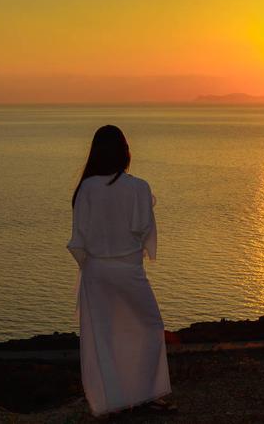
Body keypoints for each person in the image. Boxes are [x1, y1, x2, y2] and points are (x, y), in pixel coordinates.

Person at [67, 125, 175, 418]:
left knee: (103, 337)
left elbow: (79, 239)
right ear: (125, 151)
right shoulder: (139, 187)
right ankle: (143, 395)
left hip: (96, 271)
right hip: (128, 270)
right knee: (150, 327)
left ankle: (111, 401)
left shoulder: (86, 188)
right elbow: (144, 231)